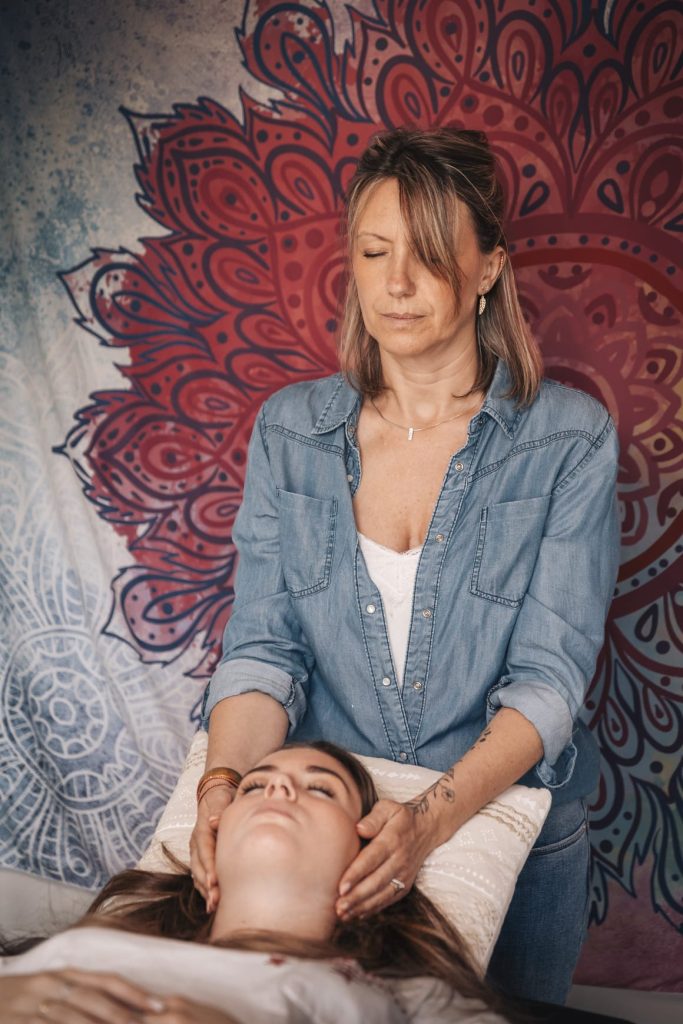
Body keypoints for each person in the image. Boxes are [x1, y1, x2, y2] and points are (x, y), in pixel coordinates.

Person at [191, 127, 621, 1005]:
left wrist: (428, 823)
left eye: (425, 257)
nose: (393, 285)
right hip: (333, 842)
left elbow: (548, 678)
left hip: (511, 831)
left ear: (488, 269)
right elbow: (264, 649)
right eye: (373, 251)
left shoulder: (568, 439)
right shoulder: (290, 432)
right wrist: (222, 786)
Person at [1, 743, 509, 1023]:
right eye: (254, 785)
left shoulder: (403, 998)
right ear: (213, 842)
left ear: (371, 854)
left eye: (320, 789)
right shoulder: (101, 939)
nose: (279, 787)